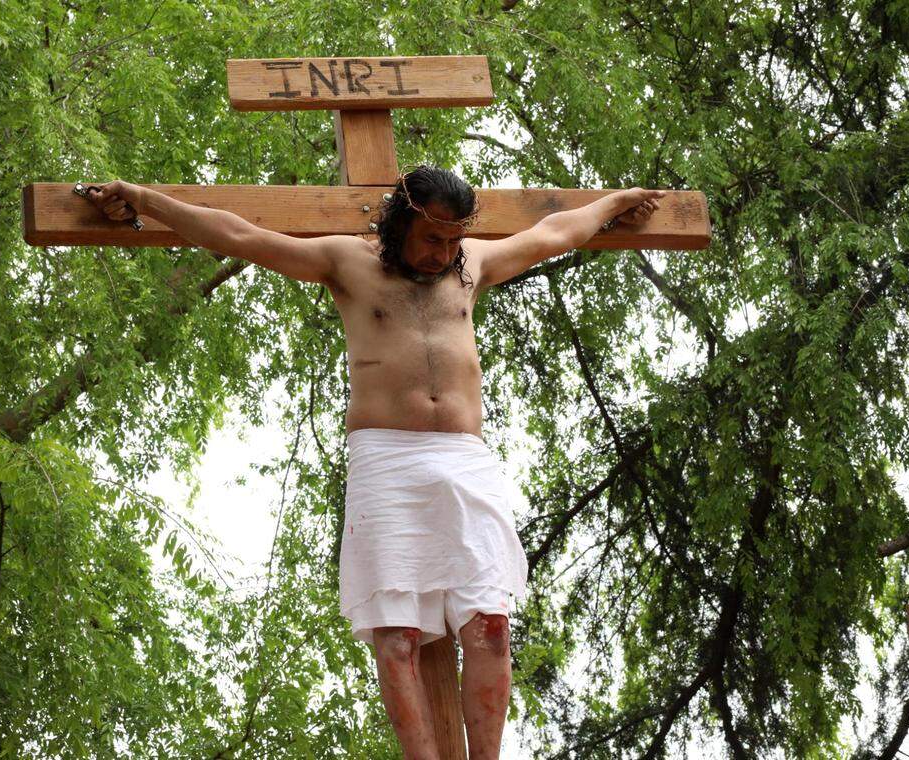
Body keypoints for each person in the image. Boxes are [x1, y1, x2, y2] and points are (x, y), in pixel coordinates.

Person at [86, 166, 663, 759]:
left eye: (452, 241)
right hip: (387, 460)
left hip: (465, 458)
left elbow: (558, 232)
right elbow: (237, 235)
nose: (443, 253)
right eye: (432, 238)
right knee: (398, 638)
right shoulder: (348, 263)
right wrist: (143, 199)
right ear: (400, 220)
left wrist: (615, 201)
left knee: (490, 625)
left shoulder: (472, 267)